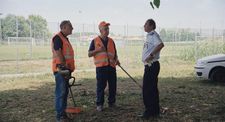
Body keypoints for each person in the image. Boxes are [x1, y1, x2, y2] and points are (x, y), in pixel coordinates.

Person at [88, 21, 120, 111]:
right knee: (101, 87)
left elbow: (114, 53)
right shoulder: (94, 41)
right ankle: (100, 104)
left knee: (113, 86)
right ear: (100, 30)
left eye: (108, 29)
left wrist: (116, 60)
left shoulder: (111, 41)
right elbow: (89, 54)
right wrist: (97, 50)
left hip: (111, 67)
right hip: (101, 67)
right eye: (105, 29)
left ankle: (112, 103)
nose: (107, 30)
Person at [140, 19, 164, 119]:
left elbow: (161, 45)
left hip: (152, 65)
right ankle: (155, 111)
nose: (144, 25)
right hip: (150, 66)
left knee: (147, 89)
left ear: (151, 25)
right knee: (152, 89)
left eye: (145, 24)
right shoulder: (149, 35)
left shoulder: (153, 35)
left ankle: (149, 111)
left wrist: (151, 55)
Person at [51, 20, 75, 121]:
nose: (72, 29)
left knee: (64, 93)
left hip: (66, 70)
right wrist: (64, 66)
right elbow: (58, 52)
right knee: (61, 93)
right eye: (70, 27)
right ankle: (60, 116)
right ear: (64, 27)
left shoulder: (65, 39)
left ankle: (63, 114)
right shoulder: (58, 38)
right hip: (61, 70)